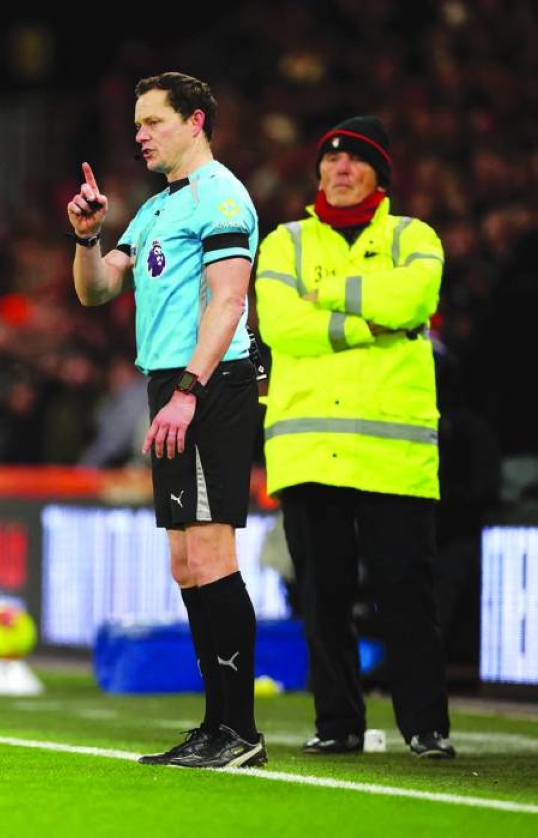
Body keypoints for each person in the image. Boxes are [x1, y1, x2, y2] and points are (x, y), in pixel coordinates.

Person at [67, 72, 264, 768]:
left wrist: (188, 390)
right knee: (185, 564)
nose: (140, 135)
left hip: (209, 386)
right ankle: (216, 726)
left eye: (153, 121)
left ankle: (238, 731)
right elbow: (98, 290)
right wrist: (88, 239)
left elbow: (229, 302)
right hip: (172, 387)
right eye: (138, 124)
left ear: (196, 121)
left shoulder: (222, 198)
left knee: (212, 555)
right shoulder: (156, 209)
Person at [254, 115, 454, 758]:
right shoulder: (283, 243)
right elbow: (282, 326)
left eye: (355, 160)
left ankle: (425, 725)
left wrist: (329, 296)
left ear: (379, 174)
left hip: (393, 453)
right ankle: (337, 724)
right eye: (330, 159)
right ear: (316, 174)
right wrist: (372, 323)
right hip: (309, 451)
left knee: (407, 593)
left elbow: (415, 298)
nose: (340, 169)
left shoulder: (412, 236)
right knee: (323, 596)